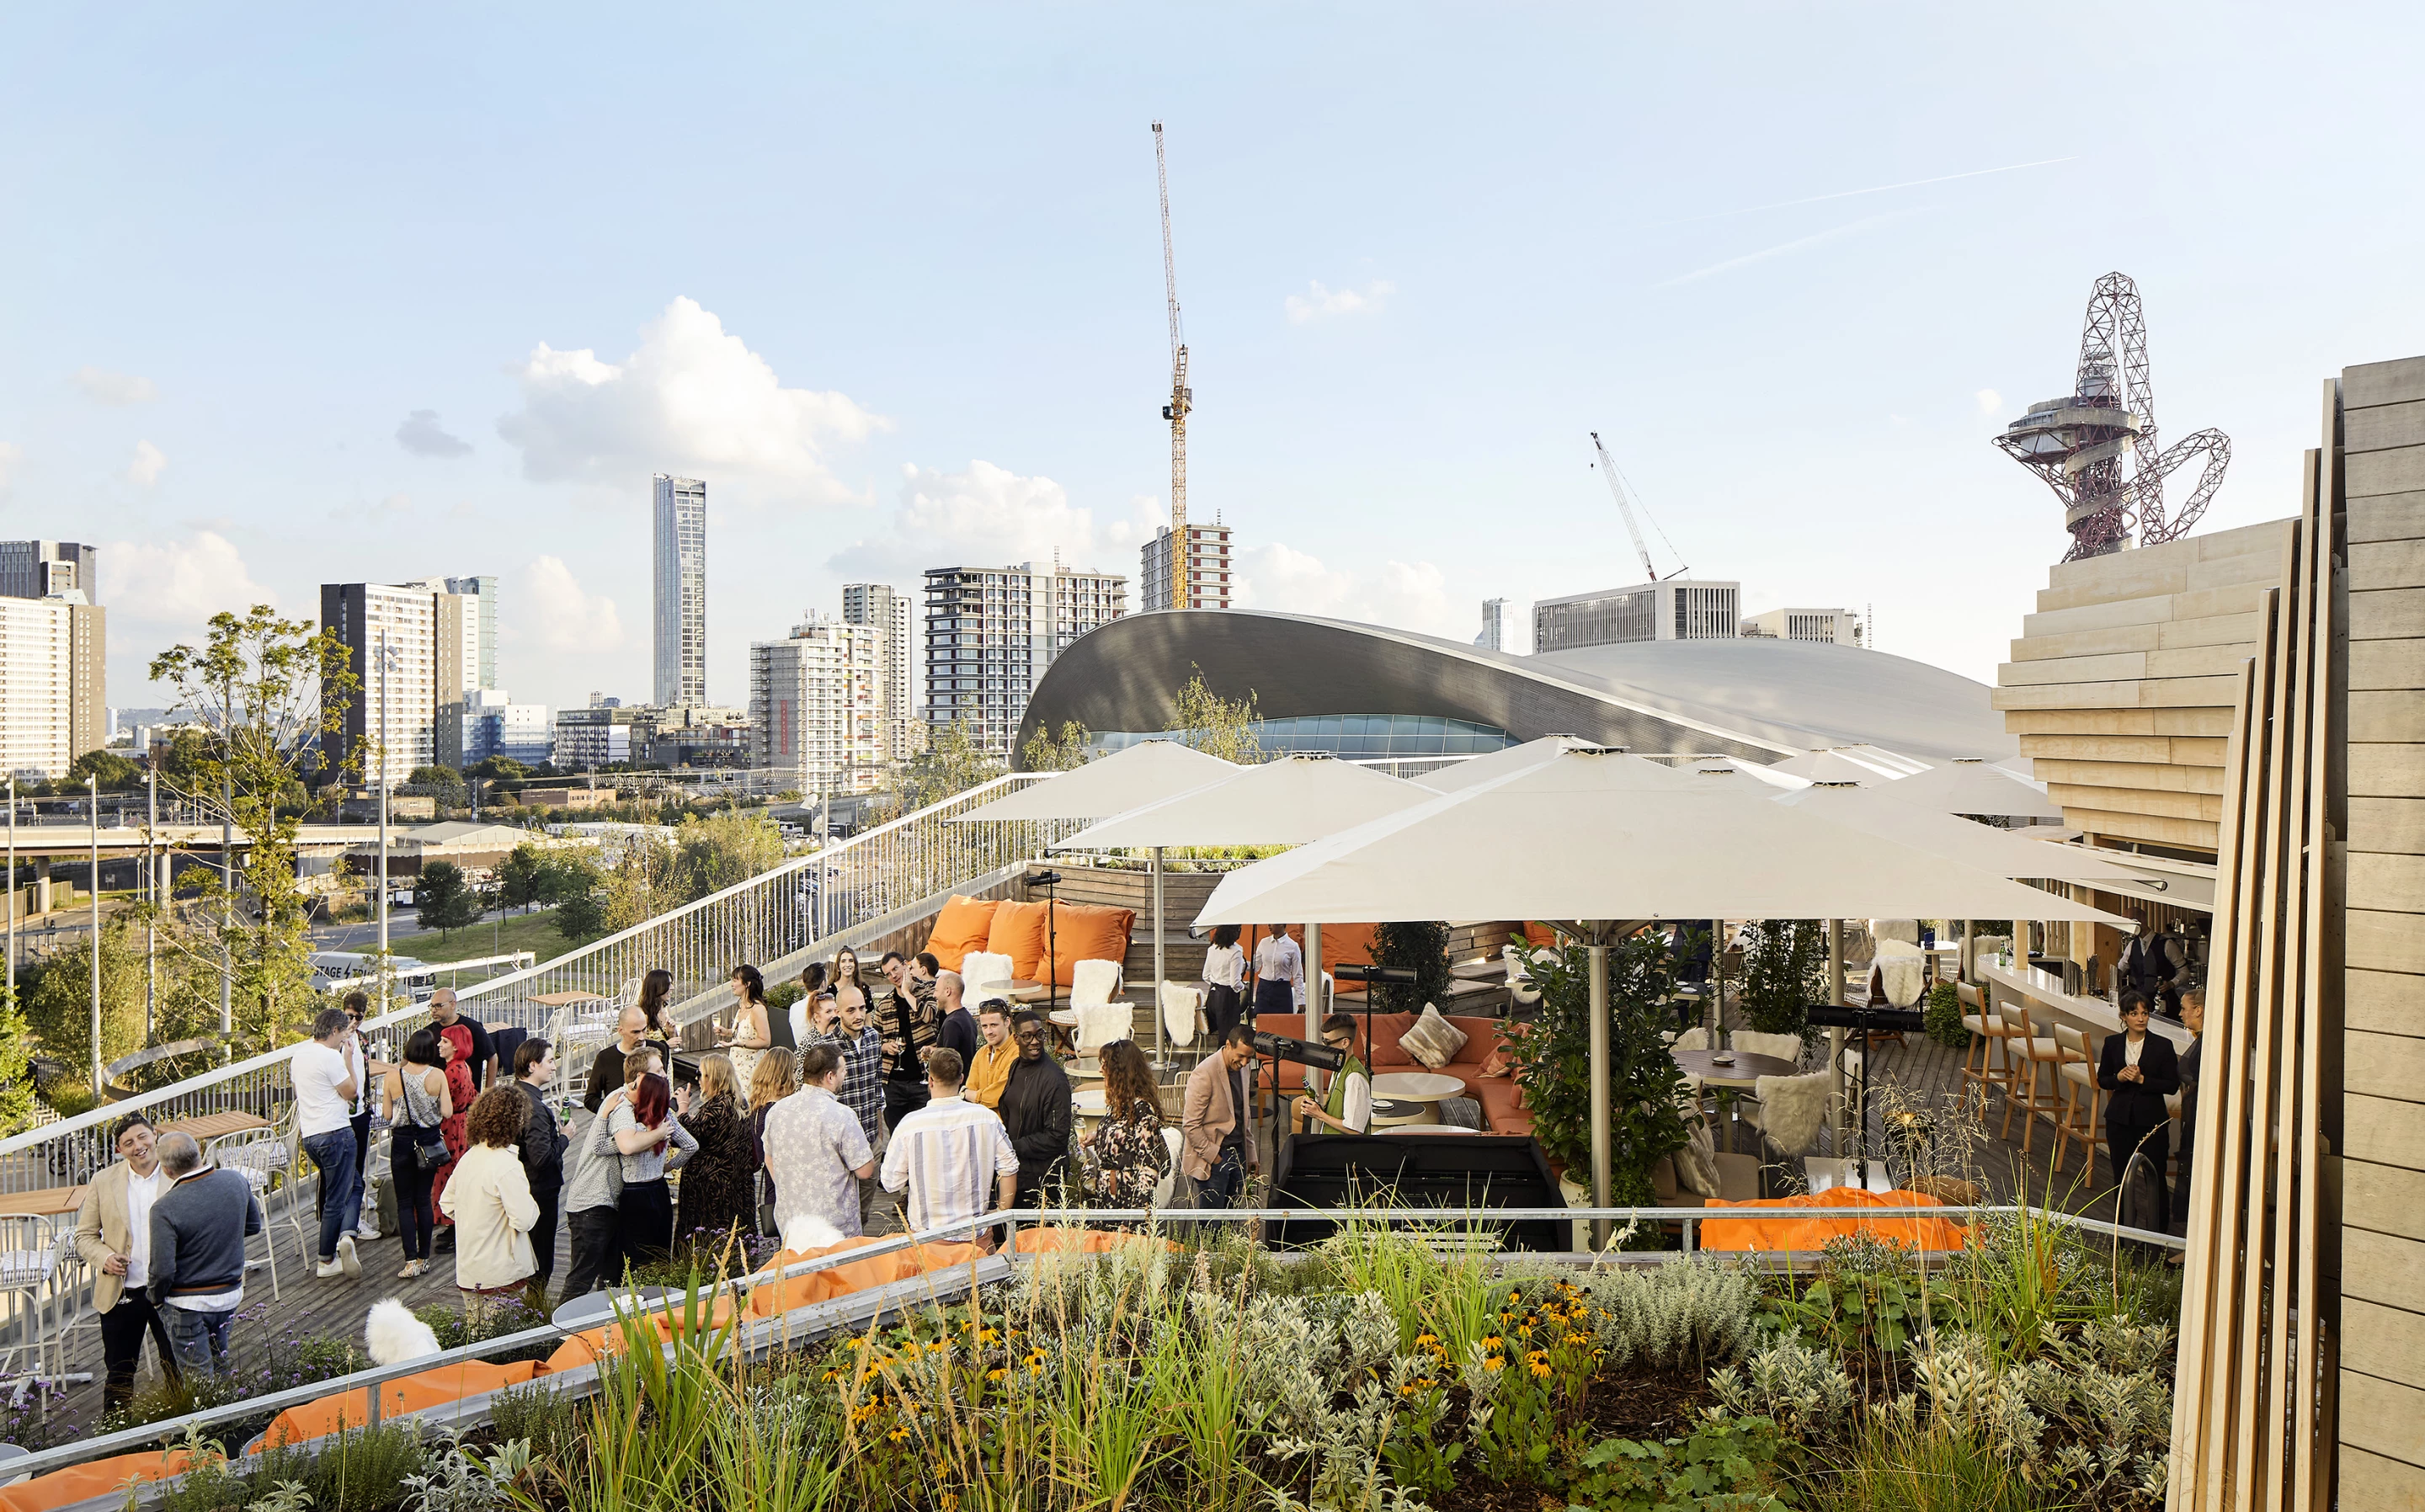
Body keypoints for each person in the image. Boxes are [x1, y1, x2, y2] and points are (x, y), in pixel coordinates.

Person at [73, 1115, 180, 1411]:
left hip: (173, 1290)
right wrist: (105, 1258)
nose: (139, 1146)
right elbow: (84, 1235)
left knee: (177, 1367)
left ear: (155, 1135)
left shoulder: (179, 1173)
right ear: (120, 1150)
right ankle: (116, 1442)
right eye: (128, 1142)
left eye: (143, 1137)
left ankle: (186, 1436)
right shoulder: (103, 1181)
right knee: (119, 1372)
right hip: (123, 1291)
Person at [145, 1131, 262, 1385]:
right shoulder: (236, 1180)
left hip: (187, 1303)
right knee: (220, 1367)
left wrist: (154, 1299)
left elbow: (162, 1270)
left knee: (199, 1382)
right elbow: (253, 1225)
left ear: (166, 1170)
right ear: (199, 1150)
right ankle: (229, 1419)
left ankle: (211, 1425)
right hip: (229, 1294)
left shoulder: (164, 1208)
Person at [880, 1048, 1018, 1248]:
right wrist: (1001, 1213)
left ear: (930, 1080)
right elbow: (1010, 1167)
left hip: (927, 1240)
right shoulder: (986, 1118)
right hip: (975, 1236)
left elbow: (890, 1182)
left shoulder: (910, 1125)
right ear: (961, 1078)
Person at [439, 1085, 541, 1328]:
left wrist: (477, 1215)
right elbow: (524, 1219)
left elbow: (447, 1204)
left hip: (469, 1270)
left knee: (476, 1337)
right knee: (505, 1343)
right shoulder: (507, 1166)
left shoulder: (470, 1157)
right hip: (501, 1272)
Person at [560, 1049, 650, 1297]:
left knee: (610, 1275)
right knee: (582, 1278)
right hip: (592, 1203)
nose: (665, 1075)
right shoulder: (621, 1105)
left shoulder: (629, 1102)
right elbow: (621, 1146)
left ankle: (604, 1327)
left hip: (604, 1202)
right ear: (640, 1078)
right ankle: (559, 1335)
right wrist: (652, 1133)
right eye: (659, 1070)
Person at [764, 1044, 877, 1241]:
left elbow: (769, 1158)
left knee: (798, 1271)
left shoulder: (777, 1111)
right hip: (833, 1226)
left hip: (791, 1221)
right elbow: (865, 1171)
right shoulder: (842, 1115)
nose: (845, 1074)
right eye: (843, 1070)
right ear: (830, 1076)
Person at [2097, 991, 2183, 1232]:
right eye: (2134, 1013)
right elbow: (2103, 1079)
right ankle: (2123, 1235)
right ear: (2124, 1016)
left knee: (2154, 1179)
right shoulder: (2112, 1043)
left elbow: (2172, 1084)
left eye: (2144, 1013)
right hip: (2118, 1120)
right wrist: (2119, 1077)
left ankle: (2156, 1236)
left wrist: (2143, 1079)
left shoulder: (2163, 1046)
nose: (2141, 1018)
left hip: (2152, 1121)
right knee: (2121, 1179)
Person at [293, 1007, 365, 1279]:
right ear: (334, 1031)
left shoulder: (299, 1056)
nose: (344, 1039)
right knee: (337, 1197)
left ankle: (347, 1236)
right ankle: (326, 1259)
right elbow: (351, 1092)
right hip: (336, 1133)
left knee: (354, 1185)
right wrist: (348, 1058)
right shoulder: (330, 1057)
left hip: (311, 1135)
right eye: (343, 1033)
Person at [383, 1027, 455, 1280]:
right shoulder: (438, 1075)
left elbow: (388, 1116)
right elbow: (447, 1112)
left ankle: (410, 1260)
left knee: (404, 1202)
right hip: (429, 1142)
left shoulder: (393, 1076)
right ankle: (425, 1258)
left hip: (402, 1142)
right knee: (423, 1199)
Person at [605, 1069, 696, 1266]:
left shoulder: (632, 1126)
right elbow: (691, 1146)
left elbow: (608, 1147)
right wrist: (667, 1167)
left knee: (634, 1254)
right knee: (660, 1251)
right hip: (659, 1189)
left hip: (634, 1193)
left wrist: (604, 1116)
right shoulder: (665, 1119)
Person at [1076, 1040, 1170, 1213]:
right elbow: (1123, 1133)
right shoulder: (1120, 1103)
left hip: (1126, 1203)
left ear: (1120, 1071)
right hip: (1108, 1198)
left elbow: (1149, 1170)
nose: (1100, 1070)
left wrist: (1133, 1217)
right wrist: (1097, 1135)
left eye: (1105, 1065)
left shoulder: (1144, 1112)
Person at [676, 1053, 759, 1250]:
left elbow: (685, 1136)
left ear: (712, 1078)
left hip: (711, 1192)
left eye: (700, 1074)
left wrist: (682, 1108)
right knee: (735, 1242)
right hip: (737, 1185)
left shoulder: (715, 1109)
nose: (698, 1079)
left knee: (708, 1246)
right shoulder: (739, 1102)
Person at [509, 1039, 566, 1296]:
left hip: (518, 1185)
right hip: (539, 1190)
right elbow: (542, 1157)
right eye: (550, 1061)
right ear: (533, 1065)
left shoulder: (511, 1095)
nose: (554, 1066)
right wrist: (565, 1137)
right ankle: (536, 1312)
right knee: (541, 1257)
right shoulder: (534, 1107)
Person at [998, 1012, 1073, 1206]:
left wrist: (1012, 1146)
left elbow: (1057, 1137)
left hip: (1041, 1181)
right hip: (1017, 1172)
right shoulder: (1016, 1065)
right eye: (1027, 1036)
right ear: (1016, 1038)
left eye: (1040, 1035)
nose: (1035, 1041)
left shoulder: (1054, 1079)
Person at [1181, 1024, 1260, 1208]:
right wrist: (1214, 1156)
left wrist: (1251, 1154)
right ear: (1228, 1045)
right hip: (1215, 1157)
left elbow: (1243, 1115)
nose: (1244, 1063)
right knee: (1211, 1224)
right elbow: (1191, 1124)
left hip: (1239, 1152)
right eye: (1240, 1056)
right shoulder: (1204, 1073)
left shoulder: (1245, 1068)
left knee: (1231, 1219)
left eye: (1249, 1058)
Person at [335, 992, 387, 1243]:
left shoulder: (362, 1039)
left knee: (357, 1163)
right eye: (348, 1016)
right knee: (341, 1172)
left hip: (360, 1111)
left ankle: (353, 1216)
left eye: (357, 1017)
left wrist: (366, 1104)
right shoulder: (333, 1041)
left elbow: (363, 1073)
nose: (352, 1022)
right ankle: (348, 1222)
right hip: (339, 1114)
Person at [429, 1018, 479, 1251]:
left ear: (456, 1046)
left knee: (446, 1174)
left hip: (449, 1126)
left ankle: (452, 1223)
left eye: (445, 1041)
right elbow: (472, 1097)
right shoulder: (465, 1067)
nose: (440, 1044)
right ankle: (452, 1225)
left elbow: (438, 1102)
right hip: (461, 1123)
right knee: (453, 1170)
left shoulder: (451, 1071)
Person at [878, 948, 940, 1132]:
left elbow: (929, 1016)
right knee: (897, 1135)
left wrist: (906, 992)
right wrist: (885, 1047)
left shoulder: (929, 990)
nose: (893, 975)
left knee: (925, 1133)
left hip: (923, 1078)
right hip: (894, 1082)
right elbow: (874, 1039)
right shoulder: (884, 1004)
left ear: (906, 965)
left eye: (895, 969)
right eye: (888, 974)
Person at [1293, 1014, 1372, 1136]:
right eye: (1323, 1040)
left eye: (1328, 1042)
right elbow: (1340, 1110)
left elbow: (1355, 1130)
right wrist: (1316, 1107)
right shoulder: (1339, 1068)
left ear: (1345, 1043)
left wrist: (1319, 1114)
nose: (1324, 1046)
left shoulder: (1355, 1078)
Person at [2171, 987, 2205, 1264]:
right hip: (2194, 1117)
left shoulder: (2210, 1041)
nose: (2180, 1013)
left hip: (2204, 1122)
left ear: (2199, 1010)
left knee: (2201, 1180)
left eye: (2184, 1008)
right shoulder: (2202, 1038)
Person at [585, 1005, 652, 1114]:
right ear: (620, 1030)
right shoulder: (605, 1058)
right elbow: (590, 1099)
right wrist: (614, 1111)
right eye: (635, 1032)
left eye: (644, 1030)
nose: (641, 1037)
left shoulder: (659, 1050)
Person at [429, 988, 498, 1089]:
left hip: (468, 1099)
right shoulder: (428, 1032)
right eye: (432, 1006)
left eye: (439, 1006)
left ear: (453, 1004)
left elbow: (492, 1057)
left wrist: (488, 1093)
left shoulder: (473, 1028)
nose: (434, 1010)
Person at [718, 964, 775, 1088]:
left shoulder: (758, 1009)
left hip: (751, 1071)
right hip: (736, 1067)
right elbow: (745, 1032)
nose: (732, 984)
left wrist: (740, 1044)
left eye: (735, 980)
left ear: (747, 984)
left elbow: (765, 1041)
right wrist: (727, 1032)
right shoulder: (742, 1006)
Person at [965, 1000, 1017, 1110]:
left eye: (993, 1025)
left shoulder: (1017, 1052)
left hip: (1006, 1124)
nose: (989, 1032)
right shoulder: (981, 1053)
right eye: (984, 1026)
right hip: (981, 1121)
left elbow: (998, 1097)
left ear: (1007, 1022)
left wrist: (966, 1094)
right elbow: (971, 1088)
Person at [1199, 925, 1247, 1041]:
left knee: (1221, 1034)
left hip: (1213, 995)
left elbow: (1205, 975)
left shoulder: (1212, 949)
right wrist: (1244, 987)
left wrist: (1217, 982)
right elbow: (1235, 982)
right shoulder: (1236, 951)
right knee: (1229, 1036)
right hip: (1228, 997)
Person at [1250, 926, 1304, 1025]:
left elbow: (1297, 975)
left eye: (1272, 923)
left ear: (1281, 925)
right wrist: (1240, 963)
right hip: (1264, 988)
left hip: (1282, 989)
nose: (1269, 925)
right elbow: (1256, 966)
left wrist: (1301, 1000)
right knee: (1263, 1023)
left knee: (1283, 1024)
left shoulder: (1292, 946)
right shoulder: (1264, 943)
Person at [932, 971, 979, 1065]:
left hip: (956, 1079)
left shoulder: (952, 1024)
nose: (934, 995)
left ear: (948, 991)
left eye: (936, 990)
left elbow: (947, 1064)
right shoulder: (967, 1017)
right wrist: (934, 1051)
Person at [634, 969, 678, 1062]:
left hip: (665, 1063)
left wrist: (671, 1032)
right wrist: (665, 1045)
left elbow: (672, 1044)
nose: (672, 988)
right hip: (648, 1065)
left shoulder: (665, 1009)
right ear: (657, 987)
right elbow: (637, 1045)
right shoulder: (642, 1014)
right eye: (668, 984)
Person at [788, 962, 829, 1048]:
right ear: (823, 983)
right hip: (822, 1055)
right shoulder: (827, 1006)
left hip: (800, 1055)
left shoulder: (794, 1008)